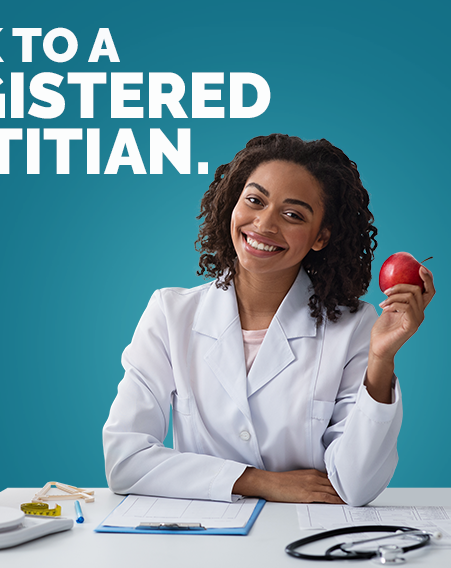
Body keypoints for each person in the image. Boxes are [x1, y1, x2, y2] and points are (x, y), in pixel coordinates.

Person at [103, 134, 435, 506]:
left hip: (305, 539)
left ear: (321, 237)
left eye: (292, 214)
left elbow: (354, 486)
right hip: (201, 541)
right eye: (255, 200)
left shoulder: (355, 326)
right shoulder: (170, 313)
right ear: (233, 204)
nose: (263, 224)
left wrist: (381, 361)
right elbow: (125, 460)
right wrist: (260, 481)